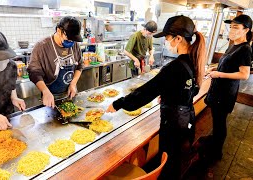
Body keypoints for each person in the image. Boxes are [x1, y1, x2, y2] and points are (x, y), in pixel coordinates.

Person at [106, 15, 206, 179]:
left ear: (178, 38)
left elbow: (144, 93)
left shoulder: (173, 68)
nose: (166, 42)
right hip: (187, 121)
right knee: (177, 165)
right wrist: (169, 95)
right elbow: (192, 90)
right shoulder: (195, 60)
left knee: (169, 169)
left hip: (173, 125)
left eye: (167, 38)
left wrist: (119, 103)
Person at [204, 14, 252, 161]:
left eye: (236, 27)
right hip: (218, 90)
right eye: (231, 26)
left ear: (246, 30)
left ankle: (216, 153)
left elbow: (244, 75)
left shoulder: (245, 49)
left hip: (225, 93)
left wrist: (219, 74)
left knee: (220, 123)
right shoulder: (233, 45)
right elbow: (227, 65)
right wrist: (214, 69)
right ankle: (213, 142)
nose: (231, 30)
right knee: (216, 120)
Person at [27, 16, 83, 108]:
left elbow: (80, 66)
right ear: (59, 30)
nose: (71, 42)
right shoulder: (42, 46)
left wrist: (73, 84)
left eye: (73, 40)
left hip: (70, 92)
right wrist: (45, 91)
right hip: (50, 95)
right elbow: (34, 73)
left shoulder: (74, 45)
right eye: (68, 39)